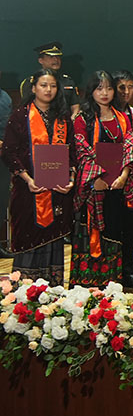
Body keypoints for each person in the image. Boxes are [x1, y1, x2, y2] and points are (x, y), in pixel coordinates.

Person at [3, 70, 77, 283]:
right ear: (33, 87)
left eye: (53, 86)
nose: (48, 90)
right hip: (28, 190)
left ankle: (53, 291)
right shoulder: (20, 116)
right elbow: (9, 152)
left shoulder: (62, 117)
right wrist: (28, 179)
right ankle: (25, 291)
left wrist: (71, 179)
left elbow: (72, 152)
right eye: (43, 85)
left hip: (58, 191)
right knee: (29, 236)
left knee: (54, 240)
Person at [73, 71, 133, 287]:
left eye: (109, 88)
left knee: (127, 229)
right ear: (91, 91)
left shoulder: (122, 117)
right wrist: (95, 178)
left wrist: (124, 174)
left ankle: (125, 274)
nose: (104, 93)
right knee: (100, 230)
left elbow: (131, 147)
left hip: (122, 184)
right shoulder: (83, 119)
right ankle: (96, 279)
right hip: (96, 186)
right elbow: (81, 151)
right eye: (99, 88)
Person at [19, 42, 79, 107]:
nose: (56, 60)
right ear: (41, 60)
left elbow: (75, 105)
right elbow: (27, 107)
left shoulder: (68, 81)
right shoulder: (31, 82)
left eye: (58, 57)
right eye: (51, 57)